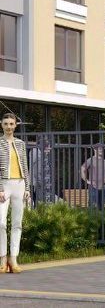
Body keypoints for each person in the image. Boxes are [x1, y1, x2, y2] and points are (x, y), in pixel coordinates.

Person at [0, 112, 31, 273]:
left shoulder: (21, 144)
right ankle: (2, 258)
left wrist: (27, 188)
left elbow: (25, 166)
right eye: (6, 124)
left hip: (20, 184)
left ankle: (14, 259)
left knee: (17, 223)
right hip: (4, 185)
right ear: (1, 124)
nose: (9, 127)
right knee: (1, 223)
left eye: (11, 124)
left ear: (15, 125)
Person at [80, 143, 105, 210]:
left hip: (103, 187)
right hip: (93, 187)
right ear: (95, 150)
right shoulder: (90, 160)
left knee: (101, 208)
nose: (101, 150)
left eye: (102, 149)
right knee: (93, 207)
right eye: (99, 149)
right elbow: (82, 169)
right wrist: (87, 181)